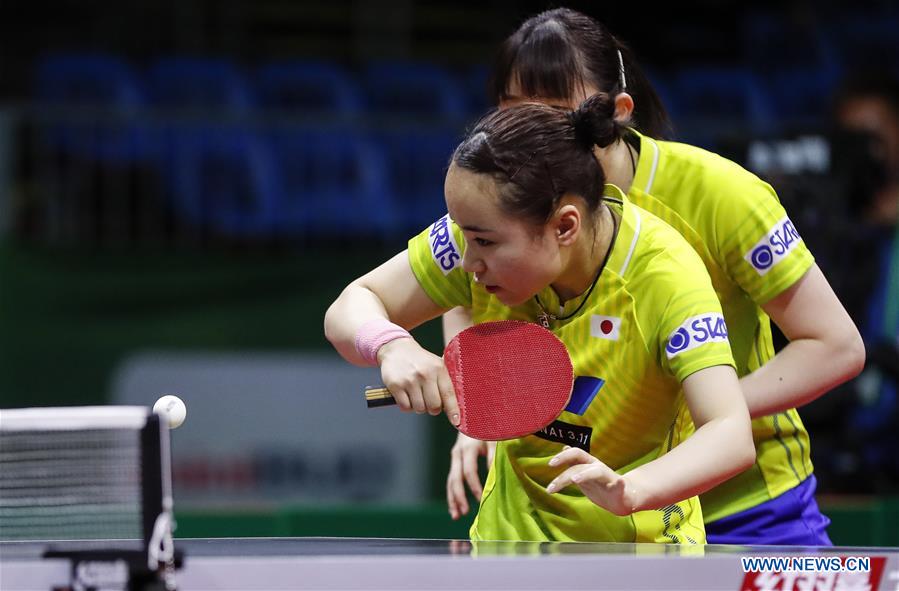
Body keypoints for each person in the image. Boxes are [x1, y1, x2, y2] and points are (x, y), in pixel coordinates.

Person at [443, 8, 865, 545]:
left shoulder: (721, 196)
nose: (526, 142)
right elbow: (459, 288)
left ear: (618, 112)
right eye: (510, 117)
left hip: (745, 508)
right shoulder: (508, 206)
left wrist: (706, 412)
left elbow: (835, 345)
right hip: (598, 522)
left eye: (550, 117)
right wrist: (483, 406)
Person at [325, 96, 755, 542]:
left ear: (564, 226)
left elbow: (729, 431)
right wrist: (391, 345)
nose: (469, 261)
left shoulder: (664, 277)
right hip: (507, 549)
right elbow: (352, 304)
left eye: (486, 243)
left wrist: (631, 489)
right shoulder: (474, 234)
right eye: (466, 237)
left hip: (639, 550)